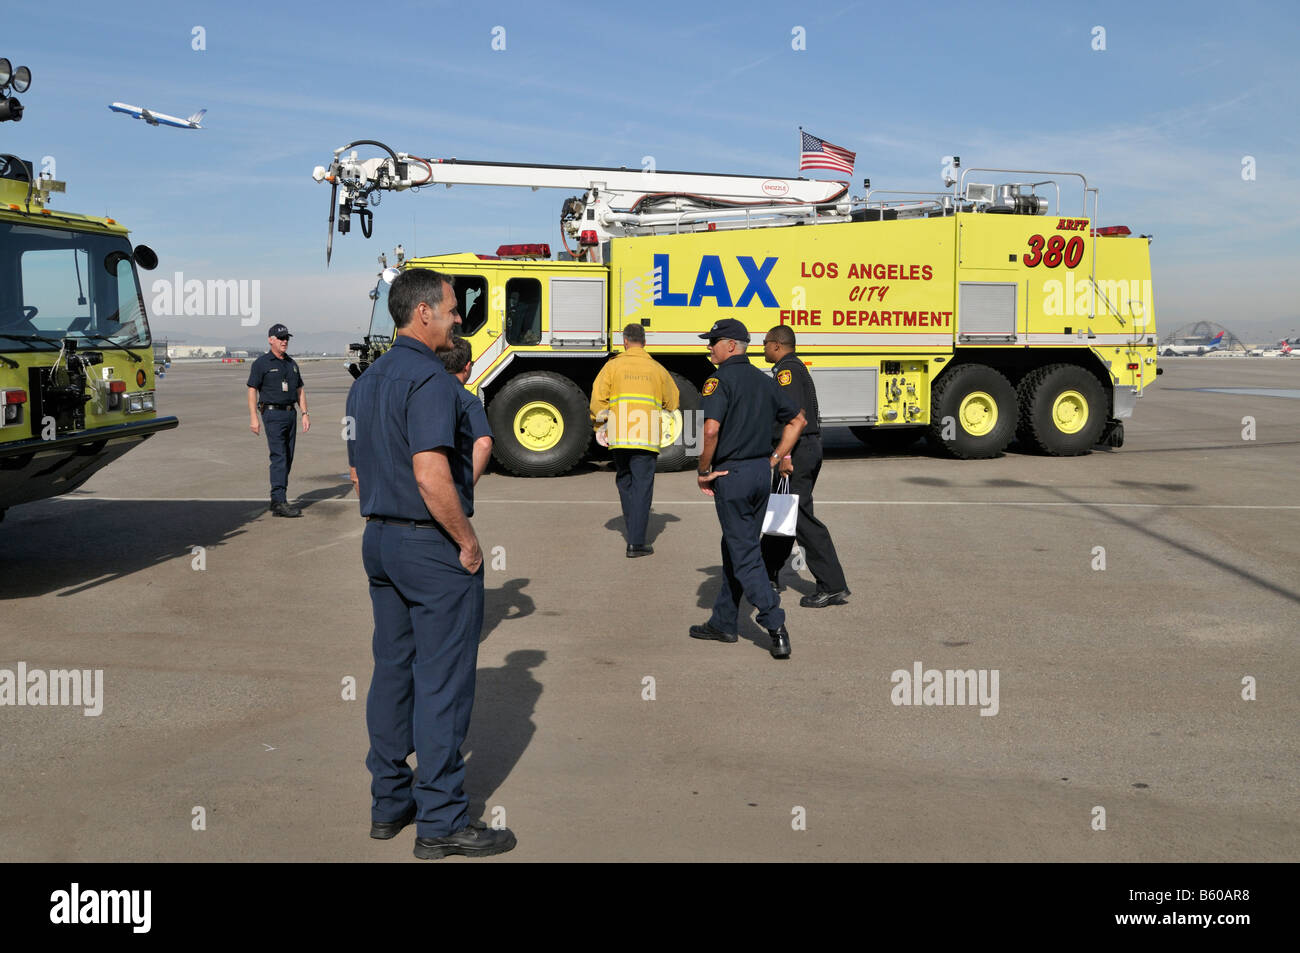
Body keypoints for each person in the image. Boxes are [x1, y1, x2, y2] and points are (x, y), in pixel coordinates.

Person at [345, 268, 516, 860]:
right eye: (449, 308)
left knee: (393, 671)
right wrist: (466, 542)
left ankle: (390, 804)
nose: (456, 318)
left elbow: (358, 472)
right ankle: (442, 821)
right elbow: (430, 473)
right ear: (422, 313)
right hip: (428, 546)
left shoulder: (366, 383)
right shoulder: (434, 383)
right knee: (442, 683)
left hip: (380, 541)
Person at [690, 319, 805, 660]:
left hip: (733, 474)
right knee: (736, 547)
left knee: (745, 555)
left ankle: (775, 624)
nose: (709, 346)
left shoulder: (718, 381)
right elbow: (798, 420)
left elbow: (711, 431)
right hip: (759, 473)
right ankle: (724, 621)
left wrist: (703, 470)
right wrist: (775, 456)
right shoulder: (763, 380)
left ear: (731, 345)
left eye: (713, 341)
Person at [760, 325, 851, 608]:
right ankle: (766, 573)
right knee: (781, 514)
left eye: (764, 343)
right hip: (802, 448)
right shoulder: (794, 368)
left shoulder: (787, 372)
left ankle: (833, 585)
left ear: (776, 345)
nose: (762, 348)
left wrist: (783, 456)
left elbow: (793, 417)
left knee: (801, 519)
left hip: (796, 451)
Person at [589, 323, 680, 557]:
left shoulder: (612, 367)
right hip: (646, 437)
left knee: (625, 481)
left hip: (619, 436)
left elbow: (598, 400)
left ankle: (633, 530)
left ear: (625, 341)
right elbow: (673, 402)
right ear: (645, 342)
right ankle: (636, 541)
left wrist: (601, 426)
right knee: (642, 487)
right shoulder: (657, 369)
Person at [247, 323, 309, 517]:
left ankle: (277, 497)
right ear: (270, 339)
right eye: (281, 338)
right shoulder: (261, 363)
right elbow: (252, 390)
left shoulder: (292, 364)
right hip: (272, 415)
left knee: (288, 457)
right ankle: (279, 501)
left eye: (286, 338)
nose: (284, 341)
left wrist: (305, 413)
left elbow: (300, 390)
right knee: (279, 457)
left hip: (290, 414)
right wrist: (253, 418)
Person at [439, 338, 494, 485]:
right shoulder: (468, 401)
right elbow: (483, 444)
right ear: (467, 366)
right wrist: (466, 486)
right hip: (450, 485)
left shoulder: (422, 393)